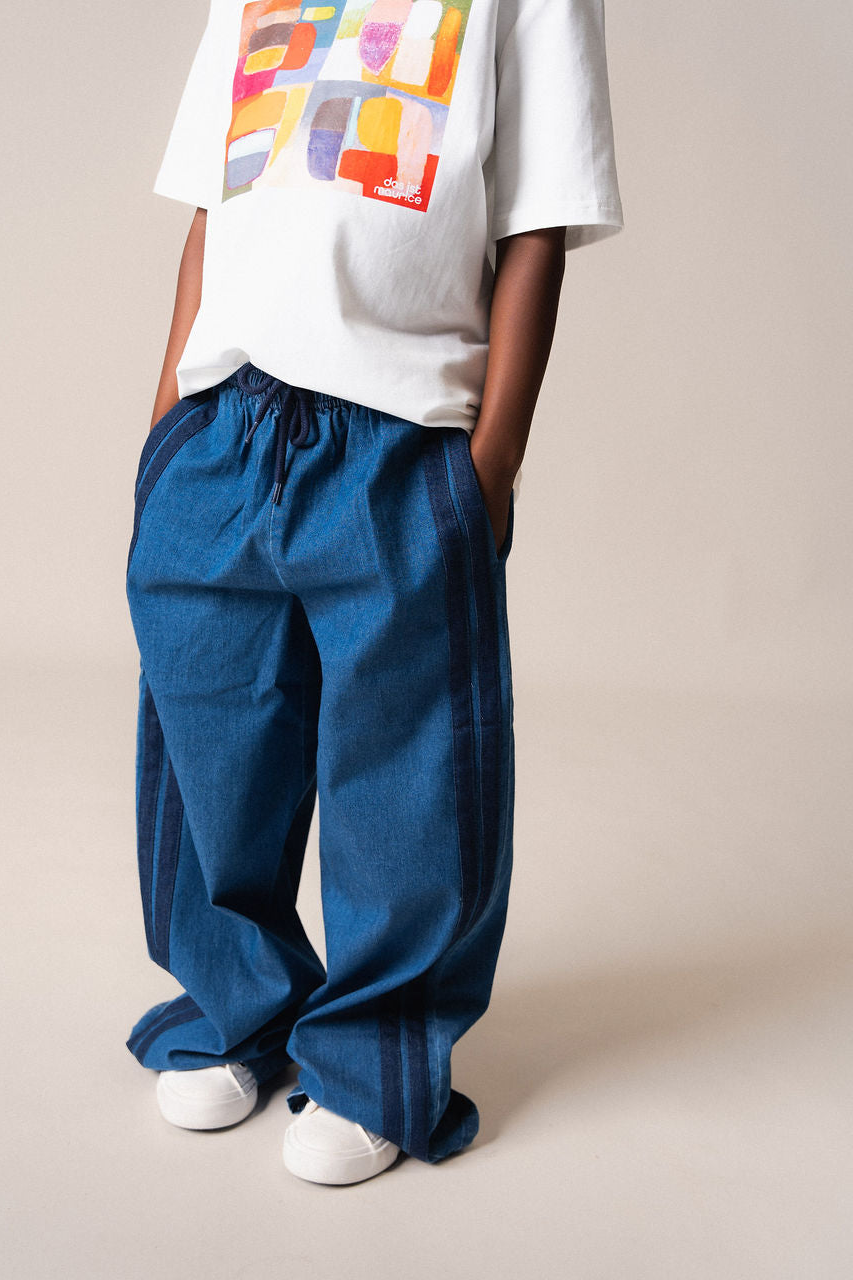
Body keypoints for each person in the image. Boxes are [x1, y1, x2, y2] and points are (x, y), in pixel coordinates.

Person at [125, 0, 623, 1186]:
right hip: (226, 418)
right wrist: (163, 431)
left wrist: (489, 467)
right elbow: (210, 206)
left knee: (406, 768)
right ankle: (234, 1002)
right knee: (210, 734)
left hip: (398, 431)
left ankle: (375, 1056)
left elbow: (538, 223)